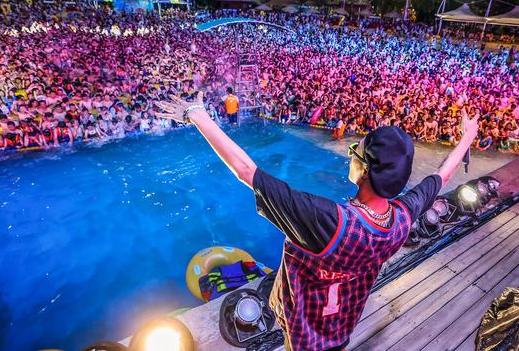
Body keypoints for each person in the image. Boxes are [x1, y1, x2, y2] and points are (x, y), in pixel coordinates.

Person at [157, 92, 480, 351]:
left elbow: (246, 171)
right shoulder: (400, 220)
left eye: (356, 150)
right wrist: (467, 139)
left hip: (303, 334)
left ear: (364, 170)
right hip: (342, 328)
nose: (351, 153)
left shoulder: (325, 221)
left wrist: (196, 114)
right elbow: (440, 177)